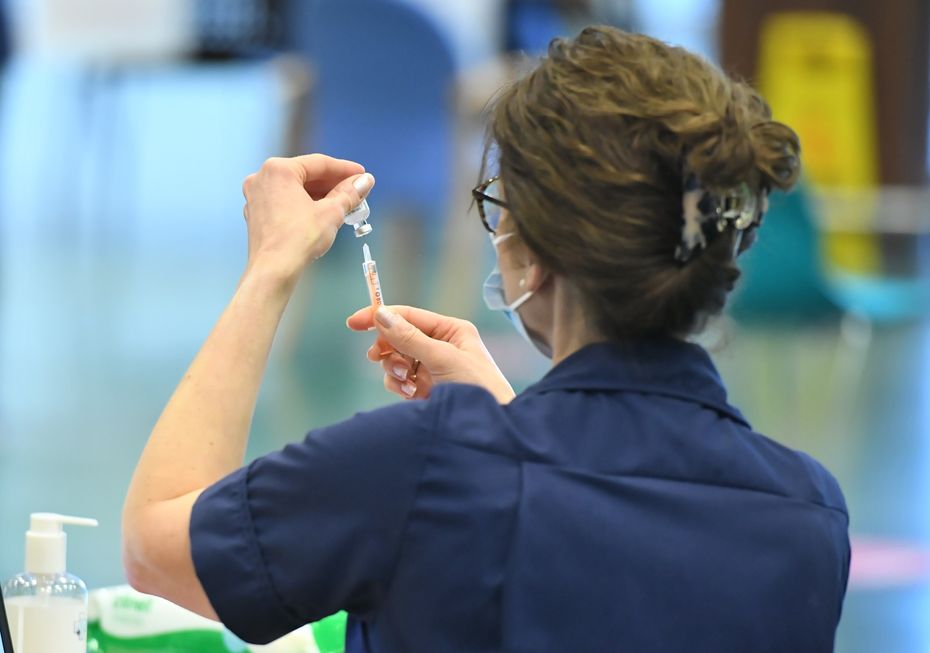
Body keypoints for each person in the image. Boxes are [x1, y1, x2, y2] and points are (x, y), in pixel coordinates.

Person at [123, 26, 849, 652]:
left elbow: (157, 547)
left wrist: (271, 267)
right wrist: (502, 420)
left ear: (529, 248)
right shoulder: (809, 512)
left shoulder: (421, 467)